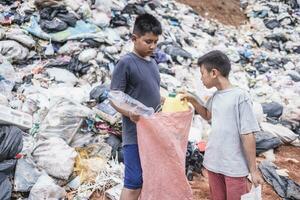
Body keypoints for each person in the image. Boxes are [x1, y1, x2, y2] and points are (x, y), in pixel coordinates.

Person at [181, 50, 264, 200]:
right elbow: (207, 114)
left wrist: (254, 170)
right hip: (214, 162)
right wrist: (193, 100)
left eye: (202, 73)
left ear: (214, 73)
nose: (201, 78)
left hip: (234, 166)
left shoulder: (240, 96)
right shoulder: (216, 96)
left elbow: (247, 134)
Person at [110, 13, 163, 200]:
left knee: (150, 179)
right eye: (148, 41)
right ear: (134, 38)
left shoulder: (153, 62)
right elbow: (114, 96)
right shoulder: (126, 63)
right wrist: (129, 111)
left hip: (153, 133)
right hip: (134, 134)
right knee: (133, 183)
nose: (153, 46)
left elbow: (148, 91)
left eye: (156, 42)